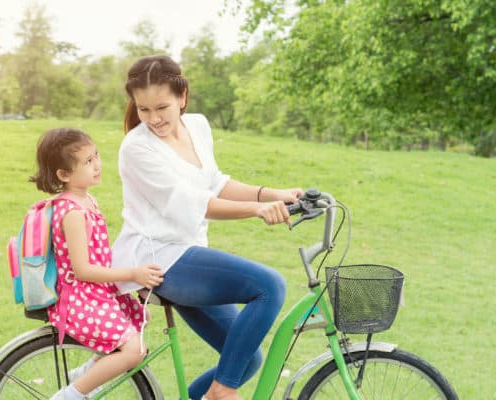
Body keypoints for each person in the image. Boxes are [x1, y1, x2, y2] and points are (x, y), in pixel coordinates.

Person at [111, 54, 301, 400]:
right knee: (269, 286)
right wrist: (258, 210)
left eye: (162, 108)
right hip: (160, 259)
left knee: (245, 359)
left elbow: (213, 184)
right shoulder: (137, 149)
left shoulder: (196, 126)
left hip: (190, 253)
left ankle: (218, 390)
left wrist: (274, 194)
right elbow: (194, 205)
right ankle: (221, 393)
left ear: (182, 97)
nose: (153, 119)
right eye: (144, 110)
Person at [28, 127, 165, 400]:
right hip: (81, 298)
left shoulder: (88, 200)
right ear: (64, 175)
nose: (97, 166)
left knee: (142, 318)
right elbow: (83, 270)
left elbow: (100, 253)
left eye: (96, 156)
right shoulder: (72, 212)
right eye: (87, 162)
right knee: (134, 350)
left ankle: (87, 371)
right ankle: (71, 395)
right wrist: (133, 274)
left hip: (99, 292)